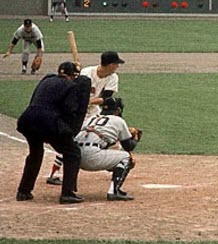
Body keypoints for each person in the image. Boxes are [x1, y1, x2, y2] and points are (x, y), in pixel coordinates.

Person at [16, 62, 90, 204]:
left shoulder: (46, 80)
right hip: (48, 122)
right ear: (72, 75)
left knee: (35, 153)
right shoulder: (71, 86)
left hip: (27, 119)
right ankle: (67, 193)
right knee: (73, 152)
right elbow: (70, 110)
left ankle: (23, 191)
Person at [47, 51, 125, 185]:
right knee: (73, 140)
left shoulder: (113, 77)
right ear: (111, 64)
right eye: (116, 64)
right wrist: (82, 101)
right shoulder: (87, 72)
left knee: (105, 137)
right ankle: (54, 174)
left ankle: (113, 164)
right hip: (77, 113)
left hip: (93, 112)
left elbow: (106, 98)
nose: (117, 67)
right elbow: (72, 91)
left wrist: (88, 102)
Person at [76, 97, 140, 201]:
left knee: (112, 151)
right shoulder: (119, 120)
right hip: (91, 157)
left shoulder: (91, 118)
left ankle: (69, 189)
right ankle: (114, 191)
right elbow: (129, 147)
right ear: (118, 110)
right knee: (126, 158)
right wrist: (136, 137)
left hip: (74, 158)